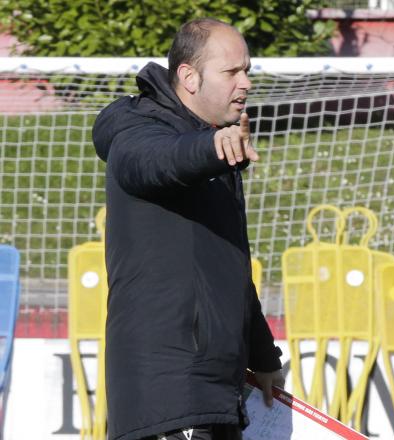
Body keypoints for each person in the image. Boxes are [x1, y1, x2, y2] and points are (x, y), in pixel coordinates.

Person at [93, 18, 284, 440]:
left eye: (247, 70)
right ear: (189, 77)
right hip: (170, 397)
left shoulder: (214, 148)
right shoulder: (139, 130)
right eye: (232, 72)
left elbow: (226, 266)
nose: (246, 83)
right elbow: (154, 162)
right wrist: (210, 149)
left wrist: (263, 354)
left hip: (215, 392)